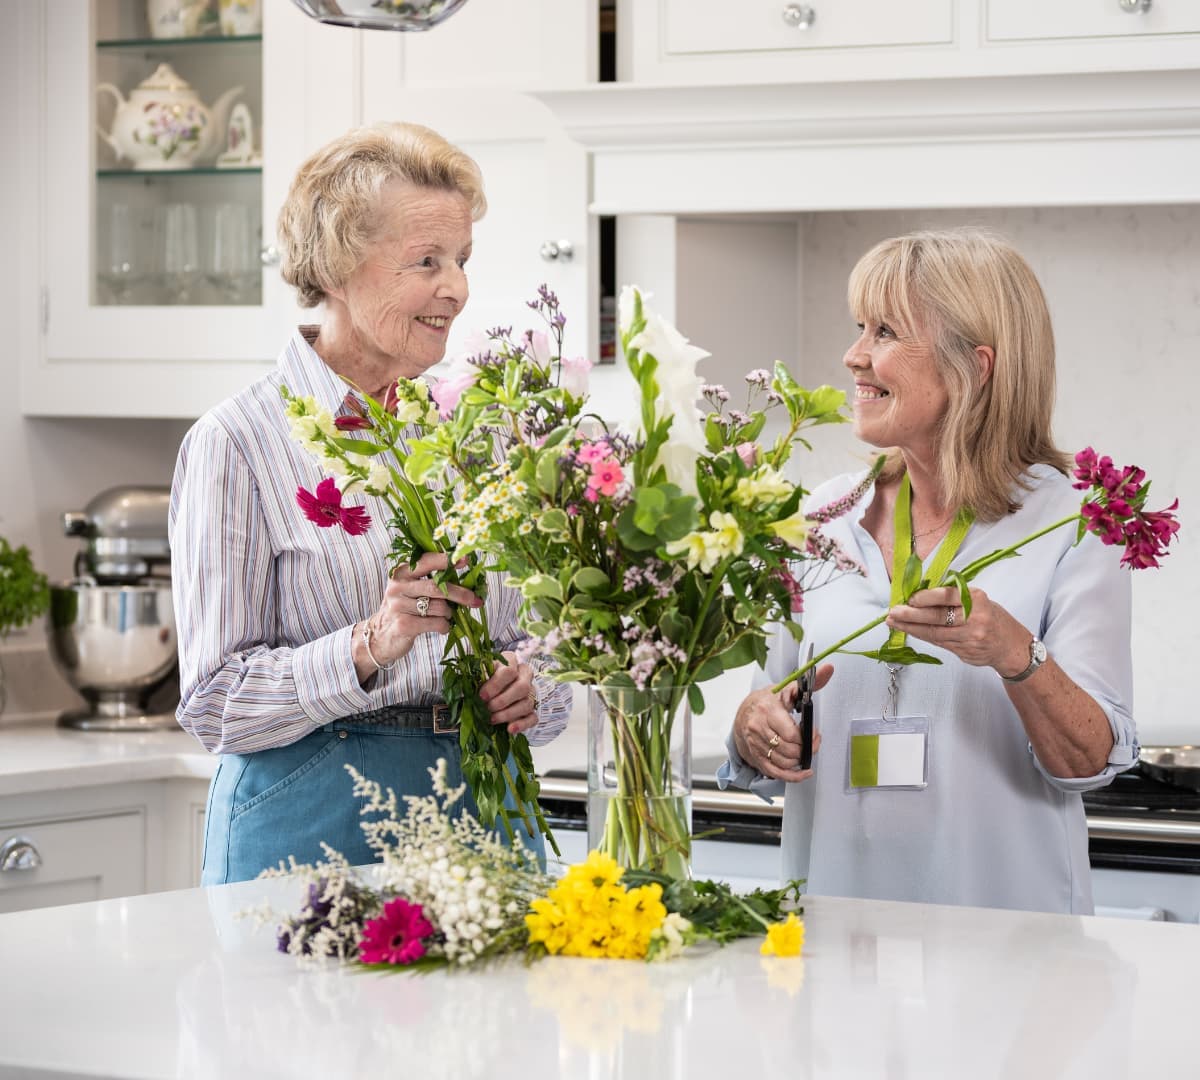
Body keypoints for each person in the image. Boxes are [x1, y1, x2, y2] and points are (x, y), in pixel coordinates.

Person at [170, 122, 570, 885]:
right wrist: (366, 645)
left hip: (485, 808)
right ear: (339, 268)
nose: (455, 286)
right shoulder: (240, 442)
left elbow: (538, 640)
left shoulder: (479, 431)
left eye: (461, 260)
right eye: (426, 261)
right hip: (310, 815)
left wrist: (532, 685)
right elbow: (216, 705)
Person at [720, 228, 1137, 915]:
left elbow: (1089, 761)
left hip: (1011, 964)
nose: (854, 355)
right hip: (835, 942)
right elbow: (769, 707)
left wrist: (1015, 655)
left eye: (884, 331)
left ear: (974, 367)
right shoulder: (820, 518)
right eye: (860, 327)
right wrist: (752, 727)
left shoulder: (1074, 523)